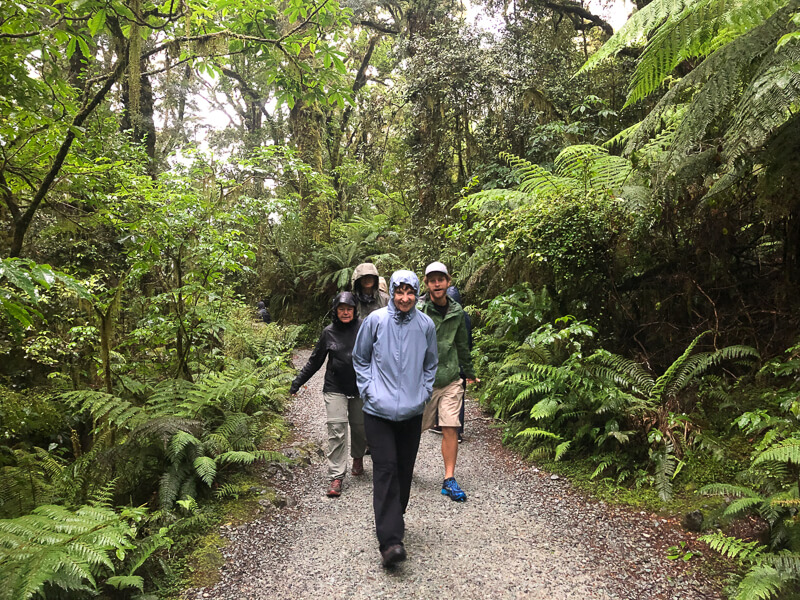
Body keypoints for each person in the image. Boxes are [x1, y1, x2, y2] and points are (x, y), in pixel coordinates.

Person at [352, 270, 437, 568]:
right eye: (399, 292)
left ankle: (394, 518)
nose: (404, 298)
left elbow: (431, 363)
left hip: (412, 413)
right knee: (386, 469)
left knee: (403, 470)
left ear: (416, 293)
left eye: (409, 292)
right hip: (378, 411)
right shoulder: (375, 321)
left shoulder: (426, 325)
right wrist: (368, 390)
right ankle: (390, 542)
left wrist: (423, 393)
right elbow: (360, 358)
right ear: (394, 293)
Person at [289, 292, 366, 497]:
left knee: (360, 428)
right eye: (341, 309)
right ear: (335, 311)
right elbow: (315, 362)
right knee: (337, 429)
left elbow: (376, 356)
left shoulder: (364, 328)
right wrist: (296, 384)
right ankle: (336, 476)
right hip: (335, 387)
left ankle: (358, 457)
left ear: (354, 309)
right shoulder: (328, 333)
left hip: (360, 387)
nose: (345, 312)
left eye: (349, 309)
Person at [419, 262, 477, 502]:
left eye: (440, 279)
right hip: (424, 381)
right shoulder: (419, 311)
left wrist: (469, 372)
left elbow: (462, 345)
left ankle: (449, 478)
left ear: (448, 281)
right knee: (413, 429)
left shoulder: (457, 313)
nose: (437, 283)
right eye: (432, 279)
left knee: (451, 426)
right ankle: (401, 470)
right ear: (427, 284)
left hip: (451, 378)